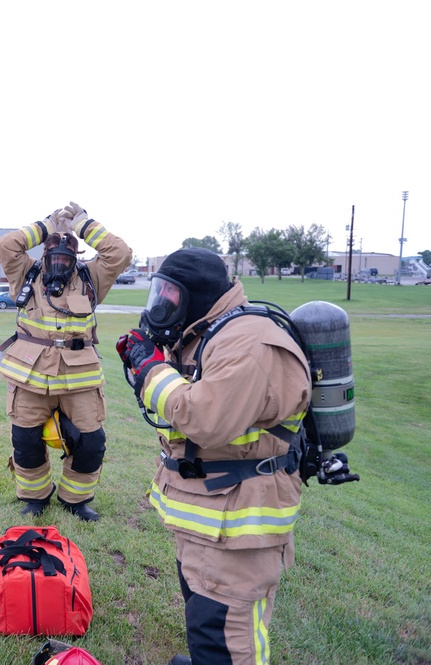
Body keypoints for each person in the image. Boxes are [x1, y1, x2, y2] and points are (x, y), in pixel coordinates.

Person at [116, 248, 312, 665]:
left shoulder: (249, 342)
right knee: (203, 613)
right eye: (159, 291)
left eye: (171, 293)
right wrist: (153, 361)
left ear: (198, 296)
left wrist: (150, 370)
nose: (161, 303)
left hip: (239, 524)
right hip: (212, 513)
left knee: (226, 633)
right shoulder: (208, 332)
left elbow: (204, 417)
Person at [0, 202, 132, 521]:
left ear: (75, 260)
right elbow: (4, 246)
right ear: (43, 257)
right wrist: (46, 225)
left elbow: (120, 253)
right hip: (29, 373)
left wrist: (82, 224)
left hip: (78, 377)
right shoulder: (25, 272)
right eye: (53, 258)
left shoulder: (91, 278)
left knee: (91, 441)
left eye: (66, 259)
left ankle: (75, 499)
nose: (59, 264)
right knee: (25, 440)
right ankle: (34, 497)